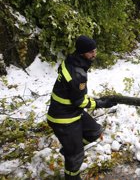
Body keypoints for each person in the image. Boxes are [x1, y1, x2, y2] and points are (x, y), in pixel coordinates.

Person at [47, 35, 117, 180]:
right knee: (76, 156)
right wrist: (101, 103)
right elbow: (80, 101)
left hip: (72, 112)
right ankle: (72, 173)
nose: (94, 54)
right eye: (91, 52)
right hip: (62, 119)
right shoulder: (77, 74)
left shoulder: (73, 60)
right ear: (82, 52)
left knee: (95, 132)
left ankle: (70, 149)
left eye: (95, 50)